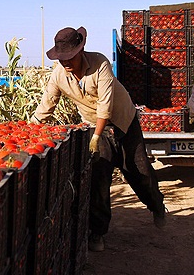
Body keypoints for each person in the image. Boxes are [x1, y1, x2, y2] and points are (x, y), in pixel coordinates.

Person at [30, 26, 166, 253]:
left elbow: (106, 104)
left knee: (139, 171)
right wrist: (29, 130)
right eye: (61, 58)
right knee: (99, 176)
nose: (65, 62)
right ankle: (98, 231)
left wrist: (95, 136)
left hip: (123, 121)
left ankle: (157, 205)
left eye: (69, 57)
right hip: (94, 126)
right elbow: (46, 106)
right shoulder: (59, 75)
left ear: (80, 51)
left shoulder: (100, 64)